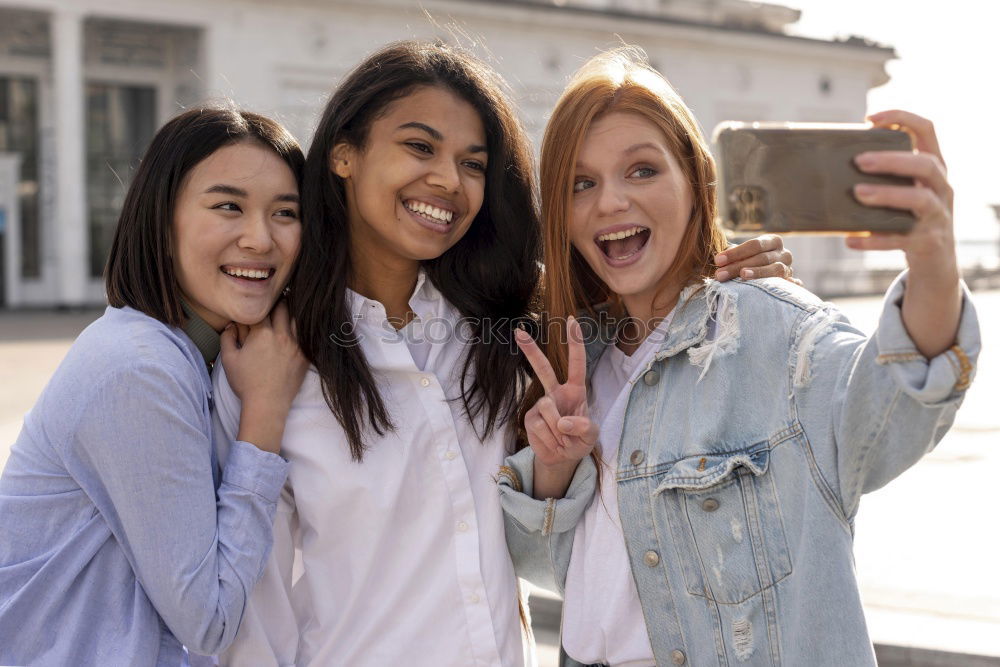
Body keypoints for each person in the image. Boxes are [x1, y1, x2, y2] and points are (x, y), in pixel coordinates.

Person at [213, 41, 794, 666]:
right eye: (419, 146)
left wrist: (736, 271)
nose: (447, 180)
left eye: (473, 163)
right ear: (344, 154)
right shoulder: (272, 360)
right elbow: (256, 604)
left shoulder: (510, 324)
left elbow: (641, 274)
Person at [499, 47, 980, 666]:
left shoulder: (770, 328)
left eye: (642, 170)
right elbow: (543, 567)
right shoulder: (571, 361)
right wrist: (554, 468)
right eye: (580, 183)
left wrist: (934, 261)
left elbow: (893, 408)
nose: (610, 201)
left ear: (699, 188)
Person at [0, 107, 310, 666]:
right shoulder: (139, 369)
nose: (261, 239)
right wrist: (265, 412)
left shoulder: (197, 353)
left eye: (285, 213)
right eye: (227, 206)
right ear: (163, 224)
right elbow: (208, 621)